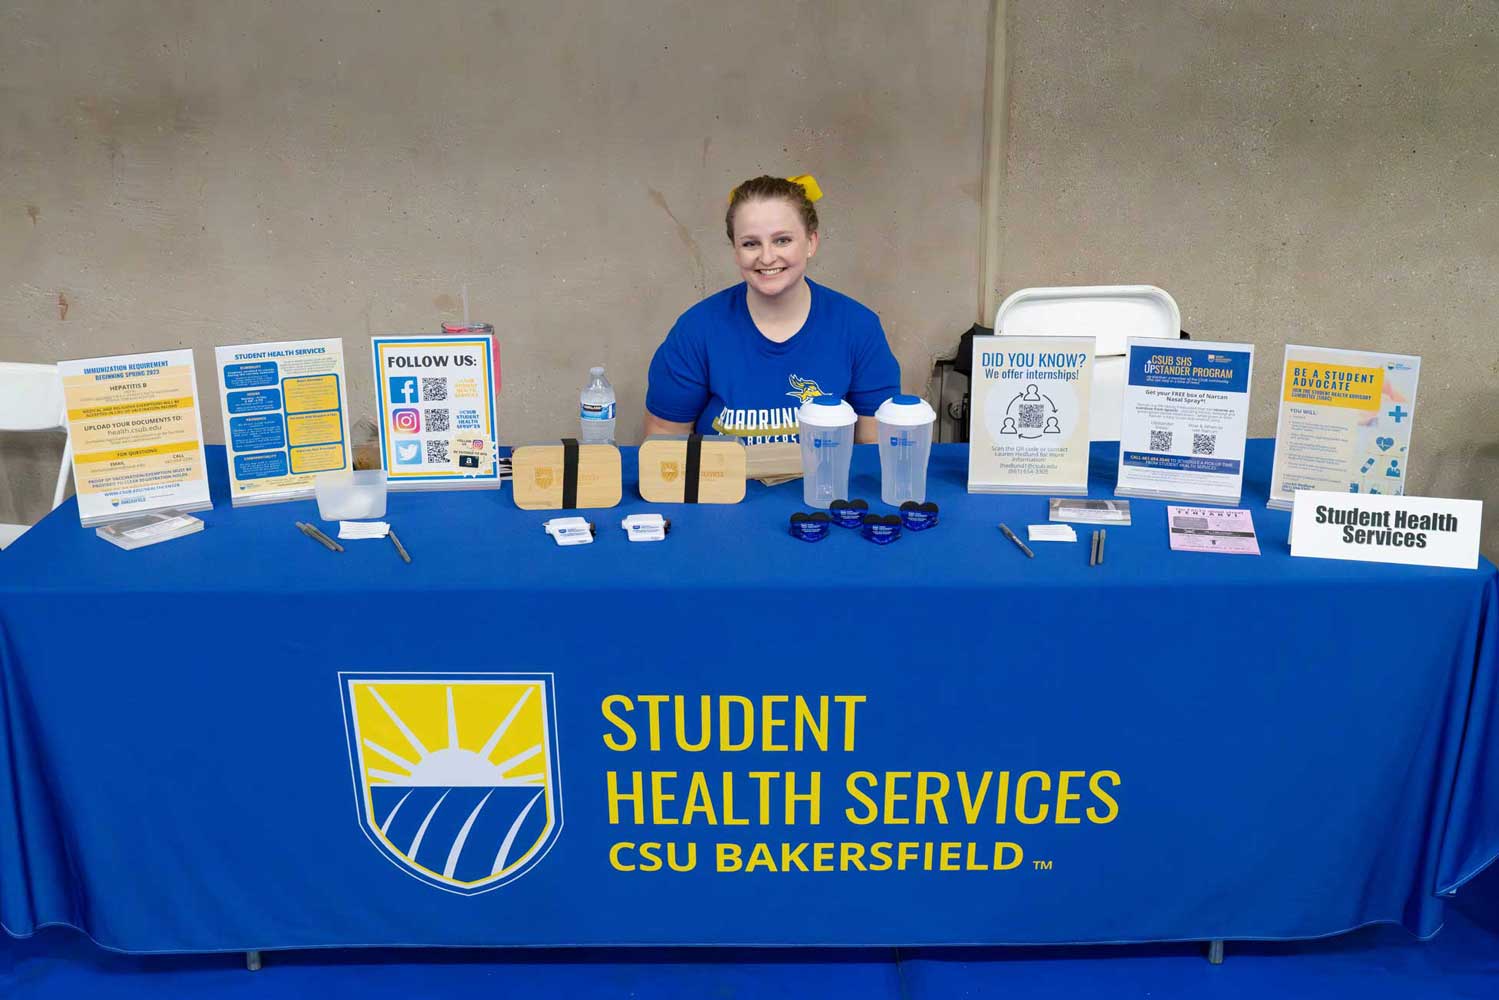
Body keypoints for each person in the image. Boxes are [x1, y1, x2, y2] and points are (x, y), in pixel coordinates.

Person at [643, 175, 900, 445]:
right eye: (750, 243)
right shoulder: (696, 330)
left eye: (782, 240)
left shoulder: (858, 328)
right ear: (735, 250)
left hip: (822, 488)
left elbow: (875, 454)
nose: (766, 257)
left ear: (811, 242)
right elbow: (664, 443)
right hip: (724, 487)